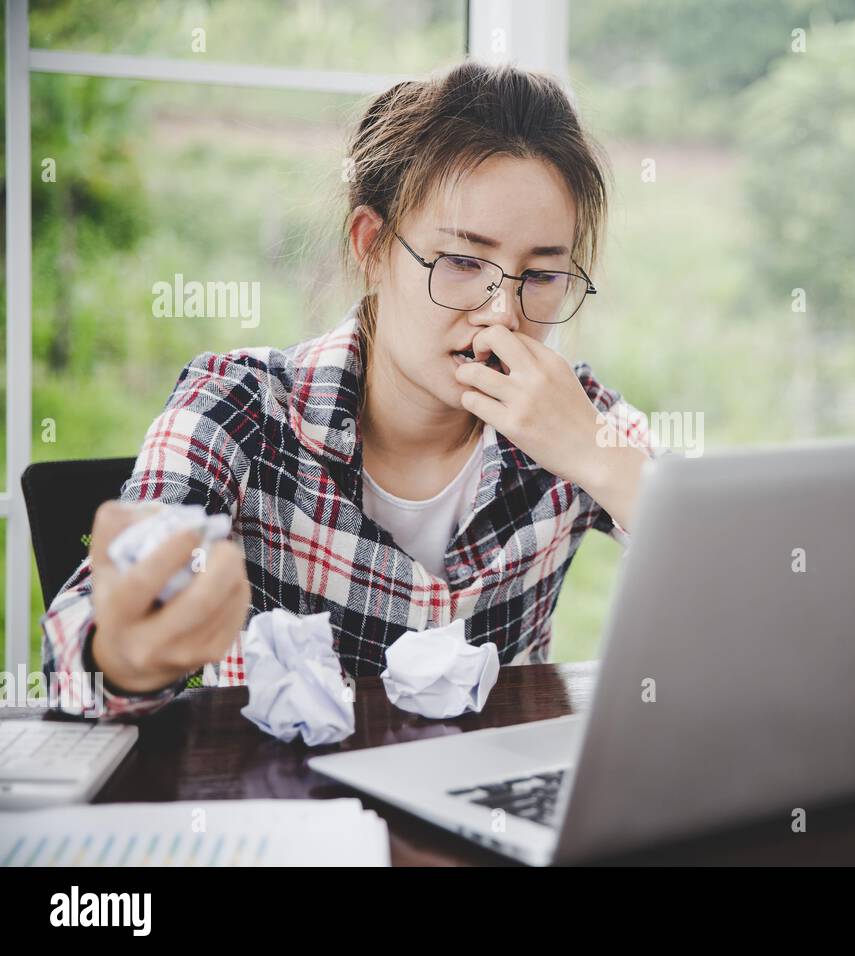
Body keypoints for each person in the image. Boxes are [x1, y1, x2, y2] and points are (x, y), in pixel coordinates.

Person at [41, 60, 661, 720]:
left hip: (491, 809)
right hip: (288, 806)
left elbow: (752, 574)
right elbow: (72, 658)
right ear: (372, 245)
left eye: (540, 276)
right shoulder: (237, 403)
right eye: (461, 262)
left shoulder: (573, 417)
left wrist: (597, 457)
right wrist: (128, 658)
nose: (502, 313)